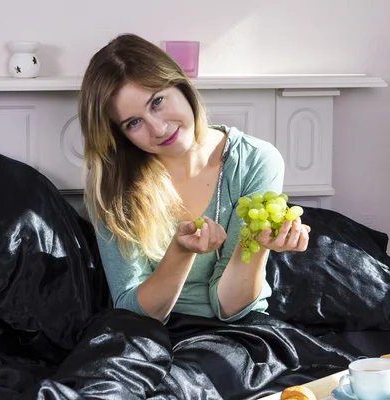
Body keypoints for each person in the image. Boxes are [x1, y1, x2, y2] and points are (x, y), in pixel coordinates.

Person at [78, 33, 310, 324]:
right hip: (147, 337)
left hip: (237, 334)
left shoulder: (255, 160)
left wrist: (258, 242)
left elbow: (230, 307)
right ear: (119, 134)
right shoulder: (110, 184)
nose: (159, 128)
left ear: (179, 84)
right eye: (133, 123)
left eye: (157, 102)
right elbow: (131, 312)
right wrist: (180, 252)